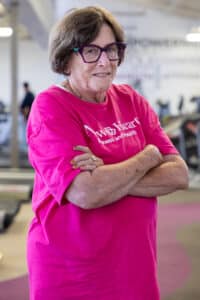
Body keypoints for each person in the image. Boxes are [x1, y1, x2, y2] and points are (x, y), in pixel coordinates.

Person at [26, 6, 189, 300]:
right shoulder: (50, 108)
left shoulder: (130, 100)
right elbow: (85, 193)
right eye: (91, 51)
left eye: (111, 50)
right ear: (66, 60)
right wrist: (148, 157)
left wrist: (106, 174)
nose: (105, 61)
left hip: (133, 267)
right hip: (71, 271)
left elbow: (178, 174)